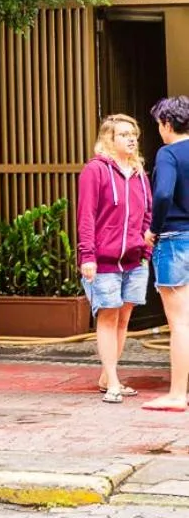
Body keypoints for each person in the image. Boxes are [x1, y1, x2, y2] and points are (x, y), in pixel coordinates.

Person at [77, 114, 152, 403]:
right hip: (103, 261)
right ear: (108, 139)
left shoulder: (139, 173)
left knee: (124, 319)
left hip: (134, 261)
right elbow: (86, 216)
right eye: (123, 134)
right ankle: (113, 382)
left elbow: (148, 215)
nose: (131, 139)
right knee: (108, 317)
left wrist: (145, 251)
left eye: (133, 134)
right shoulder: (95, 170)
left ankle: (107, 377)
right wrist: (88, 256)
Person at [146, 96, 189, 412]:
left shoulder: (168, 153)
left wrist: (153, 228)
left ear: (166, 123)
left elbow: (162, 194)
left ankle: (177, 394)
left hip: (174, 240)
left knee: (180, 323)